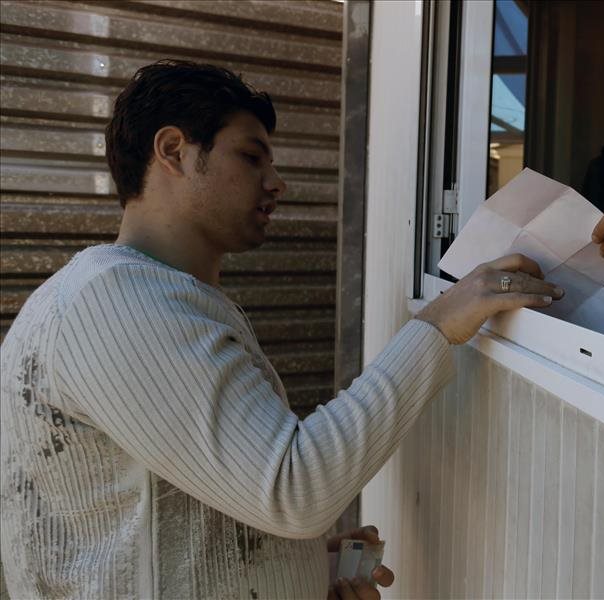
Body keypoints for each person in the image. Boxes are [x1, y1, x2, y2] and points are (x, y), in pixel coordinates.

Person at [0, 60, 562, 599]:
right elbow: (292, 489)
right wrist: (439, 324)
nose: (278, 183)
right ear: (173, 151)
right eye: (251, 157)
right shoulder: (114, 303)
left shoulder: (147, 297)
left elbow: (180, 502)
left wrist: (291, 565)